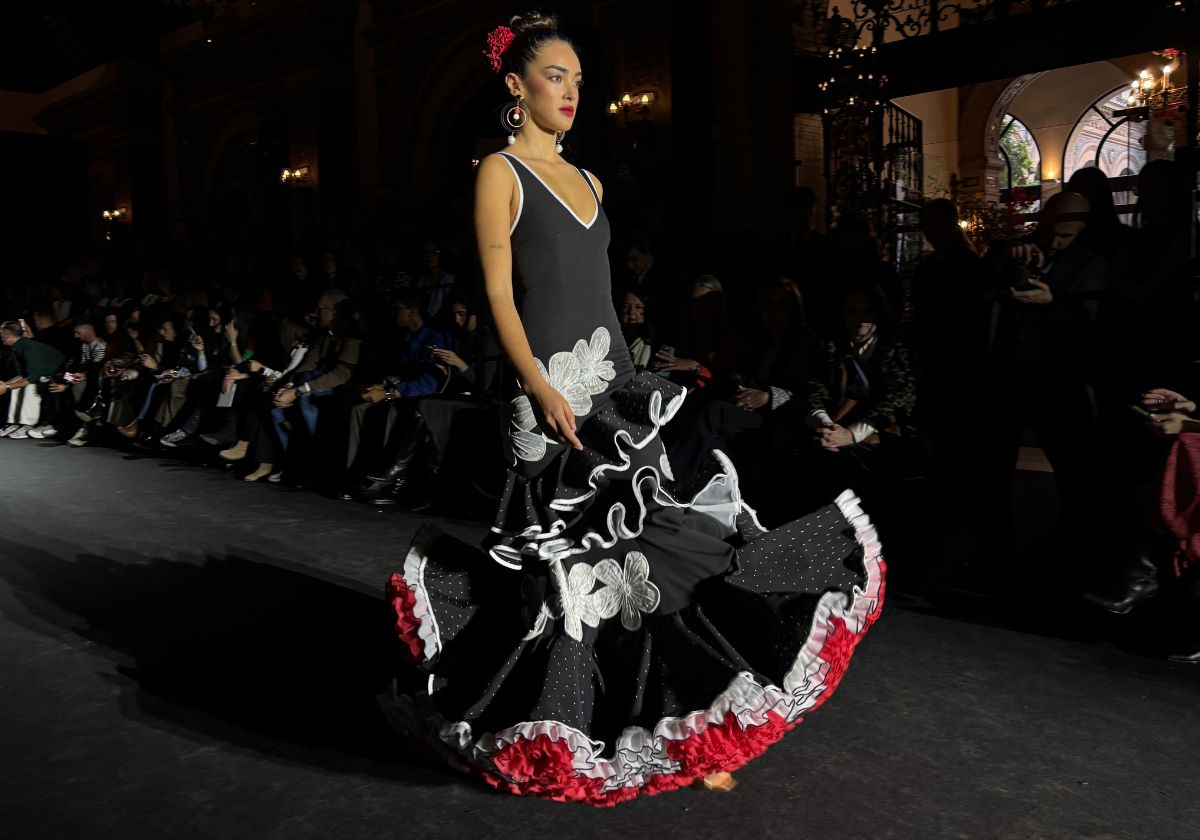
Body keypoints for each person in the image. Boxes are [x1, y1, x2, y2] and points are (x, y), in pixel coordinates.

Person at [379, 12, 884, 805]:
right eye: (556, 76)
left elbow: (600, 296)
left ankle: (676, 717)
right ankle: (556, 726)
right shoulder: (499, 172)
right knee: (560, 564)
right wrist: (538, 386)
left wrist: (628, 374)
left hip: (609, 384)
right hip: (540, 389)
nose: (572, 92)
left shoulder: (593, 182)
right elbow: (500, 294)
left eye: (579, 79)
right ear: (516, 85)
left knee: (652, 543)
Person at [0, 320, 66, 439]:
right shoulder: (18, 347)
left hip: (60, 376)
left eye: (2, 333)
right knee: (17, 385)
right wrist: (6, 384)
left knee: (29, 386)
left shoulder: (29, 348)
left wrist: (7, 387)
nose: (0, 336)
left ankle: (27, 424)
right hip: (45, 375)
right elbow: (23, 375)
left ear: (7, 333)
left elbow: (31, 379)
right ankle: (15, 422)